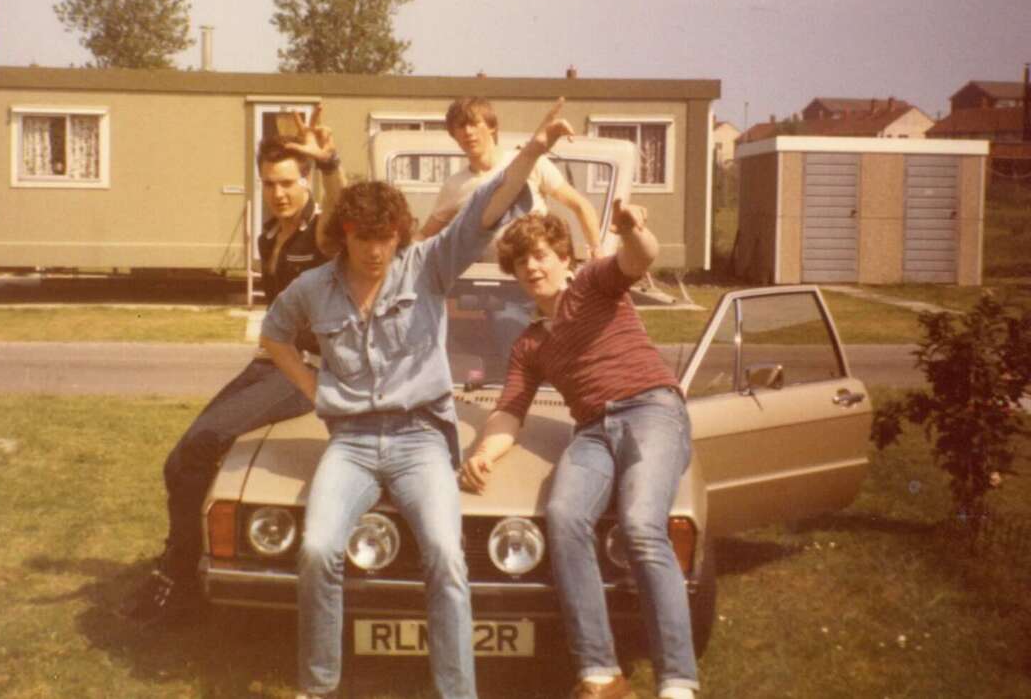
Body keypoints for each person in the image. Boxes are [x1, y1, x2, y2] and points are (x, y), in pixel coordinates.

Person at [260, 100, 577, 699]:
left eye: (386, 238)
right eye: (363, 238)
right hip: (351, 443)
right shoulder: (313, 288)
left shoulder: (427, 267)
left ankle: (456, 694)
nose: (375, 251)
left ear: (400, 234)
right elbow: (273, 336)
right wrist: (315, 389)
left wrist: (533, 150)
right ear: (345, 234)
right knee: (317, 549)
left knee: (444, 555)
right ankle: (318, 687)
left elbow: (486, 208)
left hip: (421, 440)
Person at [460, 204, 699, 699]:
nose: (532, 267)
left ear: (565, 258)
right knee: (565, 516)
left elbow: (638, 259)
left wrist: (634, 230)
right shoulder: (529, 344)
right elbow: (510, 411)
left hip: (651, 409)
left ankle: (677, 682)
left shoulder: (593, 285)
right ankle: (601, 675)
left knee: (640, 525)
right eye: (522, 262)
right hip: (592, 430)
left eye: (542, 255)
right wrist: (485, 452)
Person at [121, 108, 343, 626]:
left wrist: (329, 161)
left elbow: (341, 207)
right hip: (270, 363)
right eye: (269, 184)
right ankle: (188, 562)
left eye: (288, 182)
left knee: (198, 448)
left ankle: (180, 576)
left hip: (305, 371)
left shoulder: (322, 232)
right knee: (181, 462)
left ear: (304, 179)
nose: (279, 193)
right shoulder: (270, 235)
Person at [418, 96, 602, 262]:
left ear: (492, 127)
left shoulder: (529, 162)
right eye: (460, 126)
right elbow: (426, 234)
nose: (468, 132)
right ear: (453, 135)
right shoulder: (455, 185)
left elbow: (580, 205)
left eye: (474, 123)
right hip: (488, 283)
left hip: (535, 275)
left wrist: (597, 250)